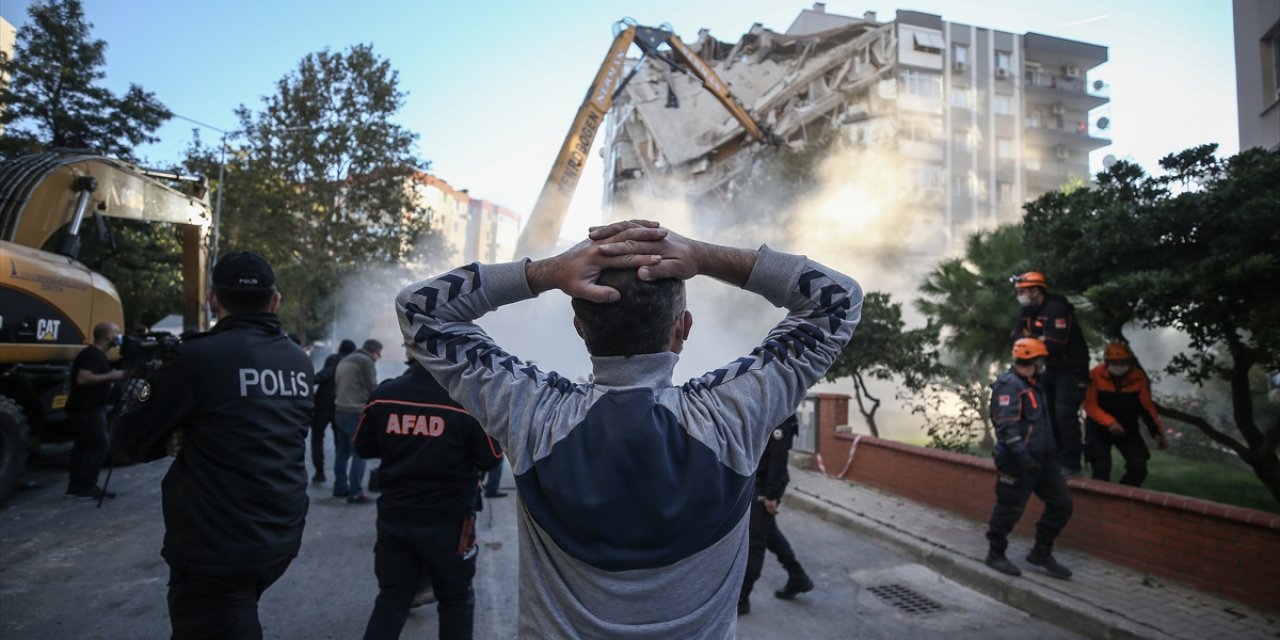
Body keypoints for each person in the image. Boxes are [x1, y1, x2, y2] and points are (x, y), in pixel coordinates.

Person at [395, 220, 862, 637]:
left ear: (579, 328)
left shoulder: (533, 413)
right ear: (683, 328)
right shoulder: (732, 415)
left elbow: (419, 308)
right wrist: (704, 256)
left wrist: (544, 273)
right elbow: (838, 298)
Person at [112, 251, 314, 639]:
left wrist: (171, 436)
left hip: (217, 545)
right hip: (280, 533)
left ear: (212, 300)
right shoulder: (298, 361)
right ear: (275, 301)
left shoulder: (196, 357)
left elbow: (128, 440)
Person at [354, 349, 503, 640]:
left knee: (391, 601)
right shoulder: (466, 399)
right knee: (456, 600)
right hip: (450, 522)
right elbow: (491, 458)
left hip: (395, 517)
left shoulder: (384, 395)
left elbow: (363, 447)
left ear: (410, 353)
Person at [984, 338, 1074, 580]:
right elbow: (1007, 427)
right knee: (1009, 508)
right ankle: (995, 554)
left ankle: (1041, 552)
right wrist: (1024, 459)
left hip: (1043, 460)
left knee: (1062, 504)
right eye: (1041, 360)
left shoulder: (1033, 384)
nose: (1043, 364)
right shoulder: (1009, 386)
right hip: (1016, 461)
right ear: (1035, 361)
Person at [1011, 271, 1090, 476]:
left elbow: (1055, 343)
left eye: (1023, 291)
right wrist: (1039, 340)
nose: (1020, 295)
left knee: (1064, 415)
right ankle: (1056, 462)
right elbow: (1016, 337)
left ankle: (1072, 465)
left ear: (1036, 290)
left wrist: (1032, 340)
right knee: (1047, 414)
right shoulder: (1026, 311)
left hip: (1072, 369)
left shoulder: (1058, 308)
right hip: (1048, 369)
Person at [737, 413, 813, 615]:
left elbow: (779, 457)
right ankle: (797, 576)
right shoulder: (770, 407)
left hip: (766, 486)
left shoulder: (781, 414)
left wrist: (771, 495)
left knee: (755, 540)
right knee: (769, 532)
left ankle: (742, 598)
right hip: (758, 481)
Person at [1083, 342, 1169, 487]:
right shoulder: (1095, 375)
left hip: (1128, 428)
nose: (1119, 365)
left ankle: (1121, 494)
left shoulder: (1138, 377)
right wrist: (1110, 423)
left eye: (1123, 362)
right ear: (1107, 362)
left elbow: (1146, 407)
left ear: (1129, 361)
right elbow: (1090, 404)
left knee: (1138, 467)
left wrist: (1157, 433)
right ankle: (1099, 498)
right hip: (1098, 429)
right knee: (1101, 470)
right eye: (1115, 362)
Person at [65, 321, 125, 499]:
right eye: (116, 332)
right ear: (108, 336)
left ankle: (75, 487)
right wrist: (111, 376)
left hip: (85, 407)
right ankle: (87, 486)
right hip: (87, 409)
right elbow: (83, 378)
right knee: (100, 444)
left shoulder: (96, 355)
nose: (119, 336)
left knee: (82, 447)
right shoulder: (92, 355)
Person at [335, 338, 382, 503]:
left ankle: (340, 487)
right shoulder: (365, 361)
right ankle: (355, 492)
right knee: (359, 453)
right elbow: (372, 388)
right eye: (378, 353)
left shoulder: (346, 359)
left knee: (342, 452)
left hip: (340, 410)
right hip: (355, 412)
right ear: (373, 352)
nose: (379, 357)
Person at [310, 338, 356, 483]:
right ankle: (339, 478)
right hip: (340, 406)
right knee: (340, 444)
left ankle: (319, 472)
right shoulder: (352, 364)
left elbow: (320, 376)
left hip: (322, 406)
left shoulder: (333, 359)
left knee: (317, 439)